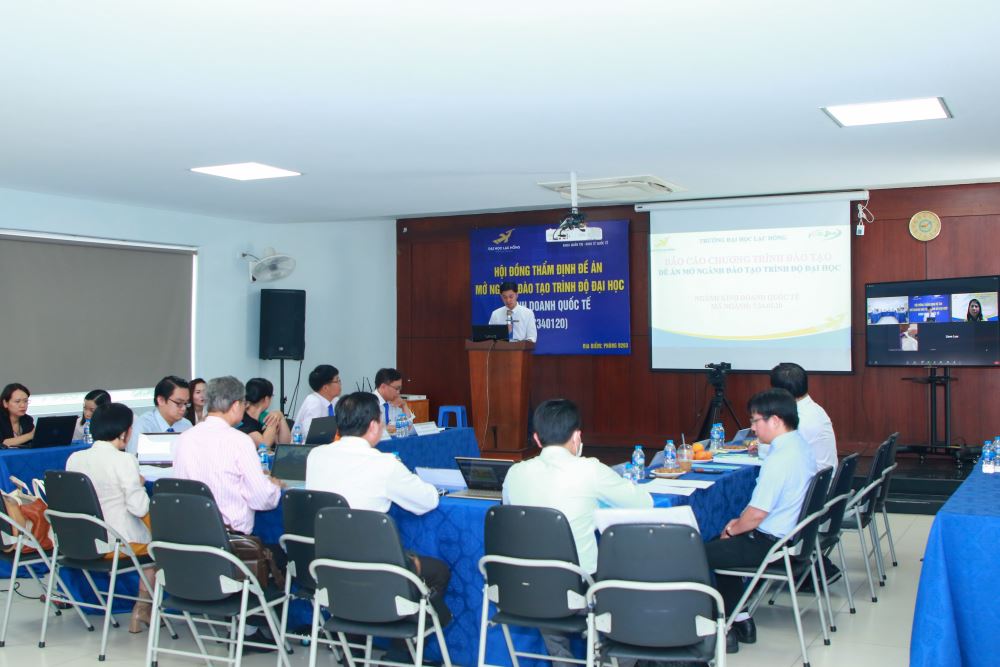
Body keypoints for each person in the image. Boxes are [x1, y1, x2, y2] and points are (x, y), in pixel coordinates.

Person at [502, 399, 653, 667]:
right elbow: (644, 503)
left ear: (536, 439)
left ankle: (561, 660)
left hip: (524, 588)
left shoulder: (515, 473)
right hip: (579, 589)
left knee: (546, 577)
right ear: (577, 437)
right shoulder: (589, 469)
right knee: (626, 584)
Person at [305, 391, 451, 625]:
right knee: (439, 571)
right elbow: (427, 501)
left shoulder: (315, 456)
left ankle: (353, 637)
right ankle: (404, 641)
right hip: (376, 566)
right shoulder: (384, 464)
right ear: (374, 426)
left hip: (327, 563)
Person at [705, 388, 818, 654]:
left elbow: (756, 515)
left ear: (775, 420)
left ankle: (721, 628)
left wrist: (733, 529)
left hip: (770, 544)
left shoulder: (779, 459)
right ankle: (740, 620)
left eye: (755, 421)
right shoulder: (800, 446)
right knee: (719, 547)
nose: (753, 428)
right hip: (793, 539)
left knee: (700, 552)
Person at [65, 402, 155, 633]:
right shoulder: (124, 460)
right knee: (158, 547)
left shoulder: (74, 458)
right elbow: (139, 507)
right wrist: (139, 485)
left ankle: (142, 610)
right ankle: (142, 608)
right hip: (117, 542)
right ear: (124, 432)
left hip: (81, 542)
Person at [173, 376, 283, 535]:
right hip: (230, 539)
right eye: (244, 403)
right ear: (236, 405)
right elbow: (261, 499)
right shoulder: (240, 441)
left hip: (188, 533)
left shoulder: (183, 438)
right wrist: (274, 486)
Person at [769, 363, 837, 472]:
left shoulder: (798, 419)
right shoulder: (815, 409)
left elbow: (777, 455)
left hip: (811, 479)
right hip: (824, 477)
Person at [126, 376, 193, 455]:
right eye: (179, 403)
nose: (184, 408)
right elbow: (133, 459)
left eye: (186, 403)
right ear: (161, 400)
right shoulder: (143, 426)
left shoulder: (186, 426)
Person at [238, 377, 291, 448]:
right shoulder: (242, 420)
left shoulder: (264, 417)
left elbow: (285, 444)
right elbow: (264, 445)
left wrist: (280, 415)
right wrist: (273, 421)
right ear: (267, 399)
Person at [292, 365, 342, 437]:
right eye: (337, 381)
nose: (340, 384)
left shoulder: (335, 401)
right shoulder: (313, 402)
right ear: (325, 388)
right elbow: (310, 435)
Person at [372, 368, 415, 440]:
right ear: (383, 386)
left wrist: (404, 405)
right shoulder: (368, 403)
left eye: (400, 389)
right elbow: (367, 429)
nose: (398, 392)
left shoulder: (397, 401)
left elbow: (409, 427)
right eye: (396, 388)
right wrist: (388, 428)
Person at [0, 383, 34, 448]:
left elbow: (32, 443)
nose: (23, 405)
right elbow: (2, 444)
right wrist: (30, 435)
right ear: (5, 403)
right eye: (17, 401)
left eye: (25, 401)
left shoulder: (28, 419)